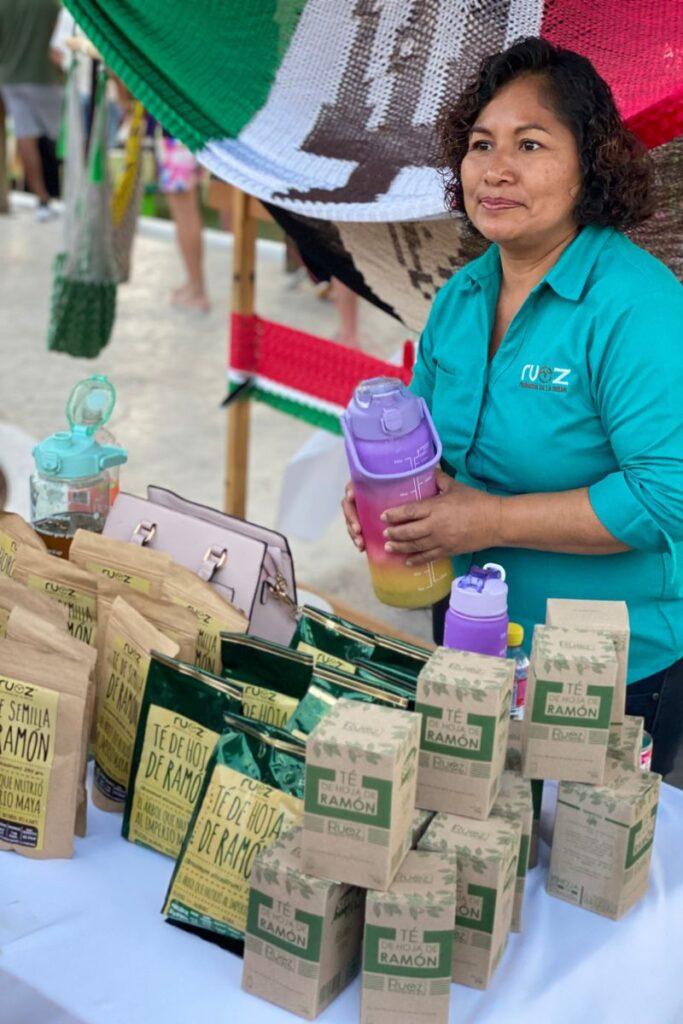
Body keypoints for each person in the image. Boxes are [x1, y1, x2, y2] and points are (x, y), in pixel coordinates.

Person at [342, 37, 683, 779]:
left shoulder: (636, 305)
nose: (494, 170)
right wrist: (384, 497)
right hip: (473, 642)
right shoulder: (461, 298)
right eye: (479, 145)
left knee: (577, 880)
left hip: (610, 668)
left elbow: (666, 498)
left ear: (588, 163)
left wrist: (487, 520)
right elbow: (427, 453)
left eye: (529, 144)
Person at [0, 0, 63, 220]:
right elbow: (58, 45)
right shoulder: (50, 5)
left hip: (10, 79)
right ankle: (71, 192)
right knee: (64, 137)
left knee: (26, 137)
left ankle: (42, 200)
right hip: (45, 79)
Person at [158, 132, 210, 312]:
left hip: (177, 136)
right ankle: (193, 282)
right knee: (186, 213)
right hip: (184, 137)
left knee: (185, 214)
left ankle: (197, 289)